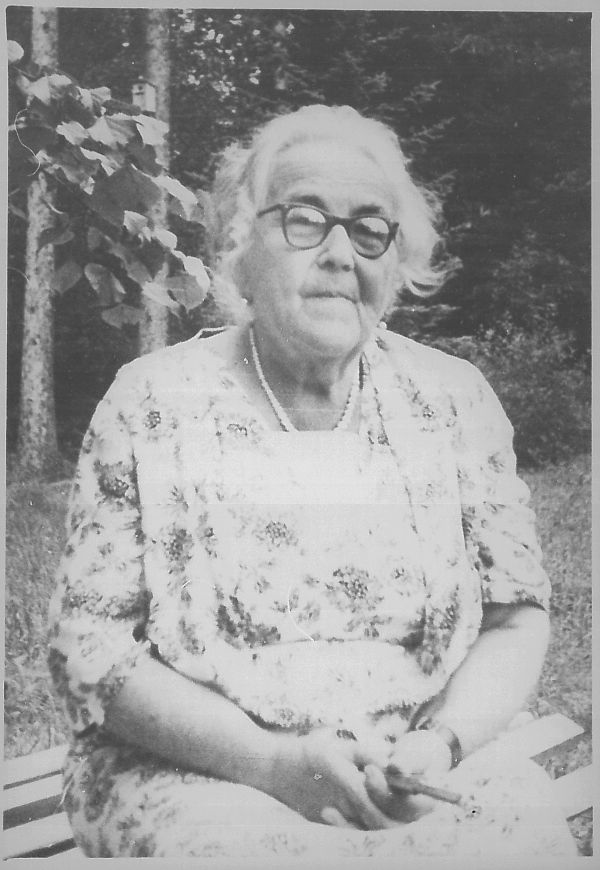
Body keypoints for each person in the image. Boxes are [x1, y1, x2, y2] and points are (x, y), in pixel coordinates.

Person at [47, 104, 576, 858]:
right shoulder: (153, 404)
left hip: (410, 762)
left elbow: (515, 617)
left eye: (369, 229)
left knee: (523, 840)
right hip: (200, 771)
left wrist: (440, 744)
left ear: (396, 260)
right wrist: (273, 764)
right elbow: (89, 648)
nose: (338, 253)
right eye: (305, 219)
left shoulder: (453, 401)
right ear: (242, 248)